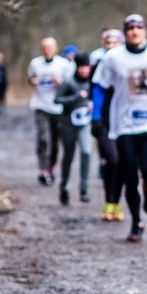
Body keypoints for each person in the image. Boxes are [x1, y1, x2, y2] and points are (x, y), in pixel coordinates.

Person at [91, 14, 147, 242]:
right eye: (130, 28)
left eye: (139, 27)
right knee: (129, 175)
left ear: (145, 31)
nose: (134, 31)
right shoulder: (113, 58)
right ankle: (136, 222)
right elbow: (100, 87)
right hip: (125, 125)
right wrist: (96, 117)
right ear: (125, 33)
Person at [89, 28, 126, 221]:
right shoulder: (98, 67)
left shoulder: (127, 66)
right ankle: (108, 201)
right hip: (103, 121)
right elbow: (94, 93)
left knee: (122, 163)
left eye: (115, 43)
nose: (111, 46)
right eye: (108, 43)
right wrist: (95, 117)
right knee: (111, 160)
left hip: (123, 122)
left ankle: (116, 203)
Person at [28, 37, 73, 186]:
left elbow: (70, 85)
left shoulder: (64, 64)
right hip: (40, 105)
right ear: (41, 50)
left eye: (50, 47)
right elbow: (30, 79)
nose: (47, 50)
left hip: (58, 108)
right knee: (43, 139)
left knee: (54, 141)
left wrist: (60, 83)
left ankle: (51, 167)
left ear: (56, 49)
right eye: (44, 48)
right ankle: (43, 170)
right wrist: (32, 81)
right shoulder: (35, 63)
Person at [54, 52, 93, 205]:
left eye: (86, 67)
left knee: (86, 152)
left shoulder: (92, 82)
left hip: (85, 123)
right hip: (68, 124)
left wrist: (92, 104)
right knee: (68, 156)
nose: (84, 70)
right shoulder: (69, 82)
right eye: (81, 67)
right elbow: (57, 99)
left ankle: (84, 189)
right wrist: (75, 97)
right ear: (77, 67)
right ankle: (64, 186)